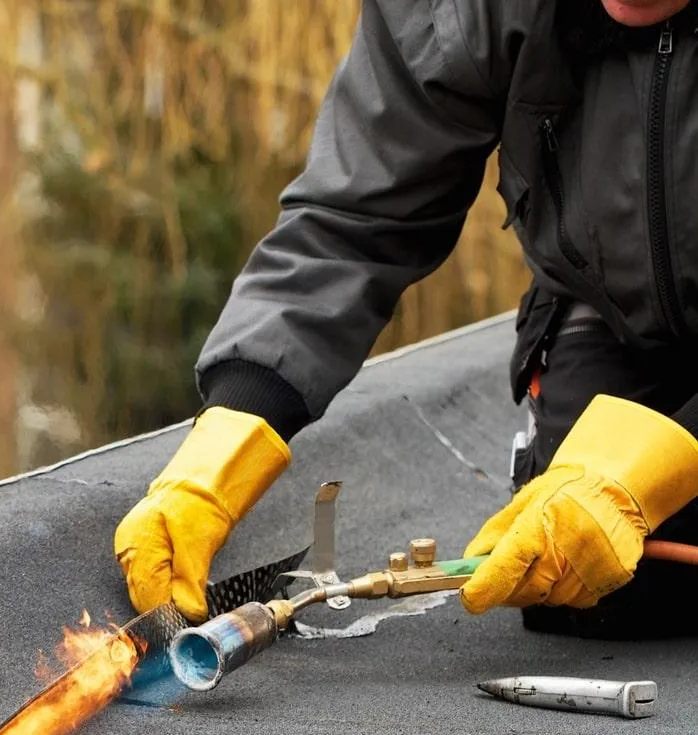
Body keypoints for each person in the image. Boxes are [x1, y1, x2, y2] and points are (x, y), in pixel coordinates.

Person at [115, 0, 698, 639]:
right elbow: (357, 216)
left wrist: (657, 468)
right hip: (608, 309)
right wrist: (230, 430)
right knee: (586, 588)